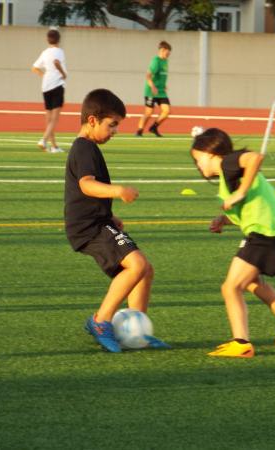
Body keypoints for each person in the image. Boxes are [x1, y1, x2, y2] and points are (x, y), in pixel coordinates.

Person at [65, 89, 169, 353]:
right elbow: (87, 186)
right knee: (136, 265)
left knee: (144, 270)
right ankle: (100, 321)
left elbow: (86, 194)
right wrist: (118, 191)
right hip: (88, 228)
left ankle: (138, 329)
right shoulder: (84, 148)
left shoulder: (88, 147)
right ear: (92, 121)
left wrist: (109, 214)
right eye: (111, 125)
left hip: (99, 221)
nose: (115, 131)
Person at [190, 128, 275, 358]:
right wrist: (224, 219)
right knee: (252, 282)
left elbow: (256, 157)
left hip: (267, 232)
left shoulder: (228, 162)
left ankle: (241, 343)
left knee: (231, 287)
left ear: (211, 153)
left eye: (198, 158)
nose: (197, 165)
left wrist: (240, 192)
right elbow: (250, 207)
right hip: (274, 231)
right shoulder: (228, 175)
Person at [32, 28, 67, 154]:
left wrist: (44, 76)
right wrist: (63, 74)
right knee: (55, 118)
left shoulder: (45, 52)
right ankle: (44, 140)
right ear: (59, 39)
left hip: (46, 86)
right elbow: (57, 63)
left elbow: (35, 68)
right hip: (57, 85)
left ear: (48, 40)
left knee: (48, 118)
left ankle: (54, 146)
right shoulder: (60, 51)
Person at [136, 41, 171, 138]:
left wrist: (164, 85)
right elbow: (148, 76)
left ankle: (154, 127)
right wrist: (152, 86)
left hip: (161, 92)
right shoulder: (156, 61)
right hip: (151, 91)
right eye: (167, 53)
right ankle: (139, 130)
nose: (168, 55)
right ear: (162, 50)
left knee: (167, 111)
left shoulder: (165, 61)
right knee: (149, 112)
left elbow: (162, 75)